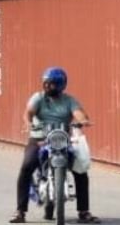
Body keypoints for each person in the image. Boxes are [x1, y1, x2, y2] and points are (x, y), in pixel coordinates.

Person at [9, 67, 101, 224]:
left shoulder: (69, 100)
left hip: (62, 139)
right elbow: (28, 112)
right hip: (39, 139)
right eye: (46, 83)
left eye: (51, 84)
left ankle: (84, 211)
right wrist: (28, 123)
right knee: (26, 167)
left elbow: (78, 112)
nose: (47, 87)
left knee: (80, 170)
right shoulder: (38, 97)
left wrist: (83, 120)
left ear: (61, 85)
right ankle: (20, 212)